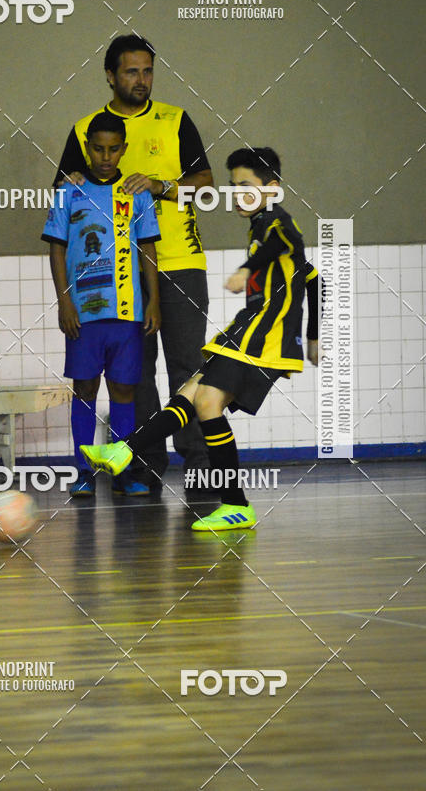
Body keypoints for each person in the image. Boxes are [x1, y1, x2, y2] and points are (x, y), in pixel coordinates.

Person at [80, 147, 321, 529]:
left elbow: (280, 246)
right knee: (191, 392)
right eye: (234, 186)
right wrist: (313, 337)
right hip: (246, 331)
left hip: (265, 339)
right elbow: (313, 278)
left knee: (208, 402)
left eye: (247, 186)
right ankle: (123, 452)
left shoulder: (277, 221)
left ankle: (235, 503)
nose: (238, 194)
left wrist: (247, 268)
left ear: (272, 189)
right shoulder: (260, 225)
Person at [54, 34, 213, 491]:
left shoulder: (175, 120)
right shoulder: (88, 127)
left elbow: (205, 183)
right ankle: (142, 463)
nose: (141, 80)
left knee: (186, 366)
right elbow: (63, 189)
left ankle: (199, 464)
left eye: (147, 71)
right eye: (131, 71)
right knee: (135, 373)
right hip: (117, 272)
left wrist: (162, 185)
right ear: (110, 75)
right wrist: (77, 176)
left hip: (180, 262)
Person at [42, 111, 161, 496]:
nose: (105, 156)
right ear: (87, 149)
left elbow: (148, 249)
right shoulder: (68, 191)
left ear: (124, 149)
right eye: (98, 149)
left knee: (124, 391)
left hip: (127, 311)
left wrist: (154, 301)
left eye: (113, 149)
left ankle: (122, 469)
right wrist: (64, 302)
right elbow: (57, 249)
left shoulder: (136, 193)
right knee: (85, 388)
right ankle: (83, 471)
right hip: (84, 312)